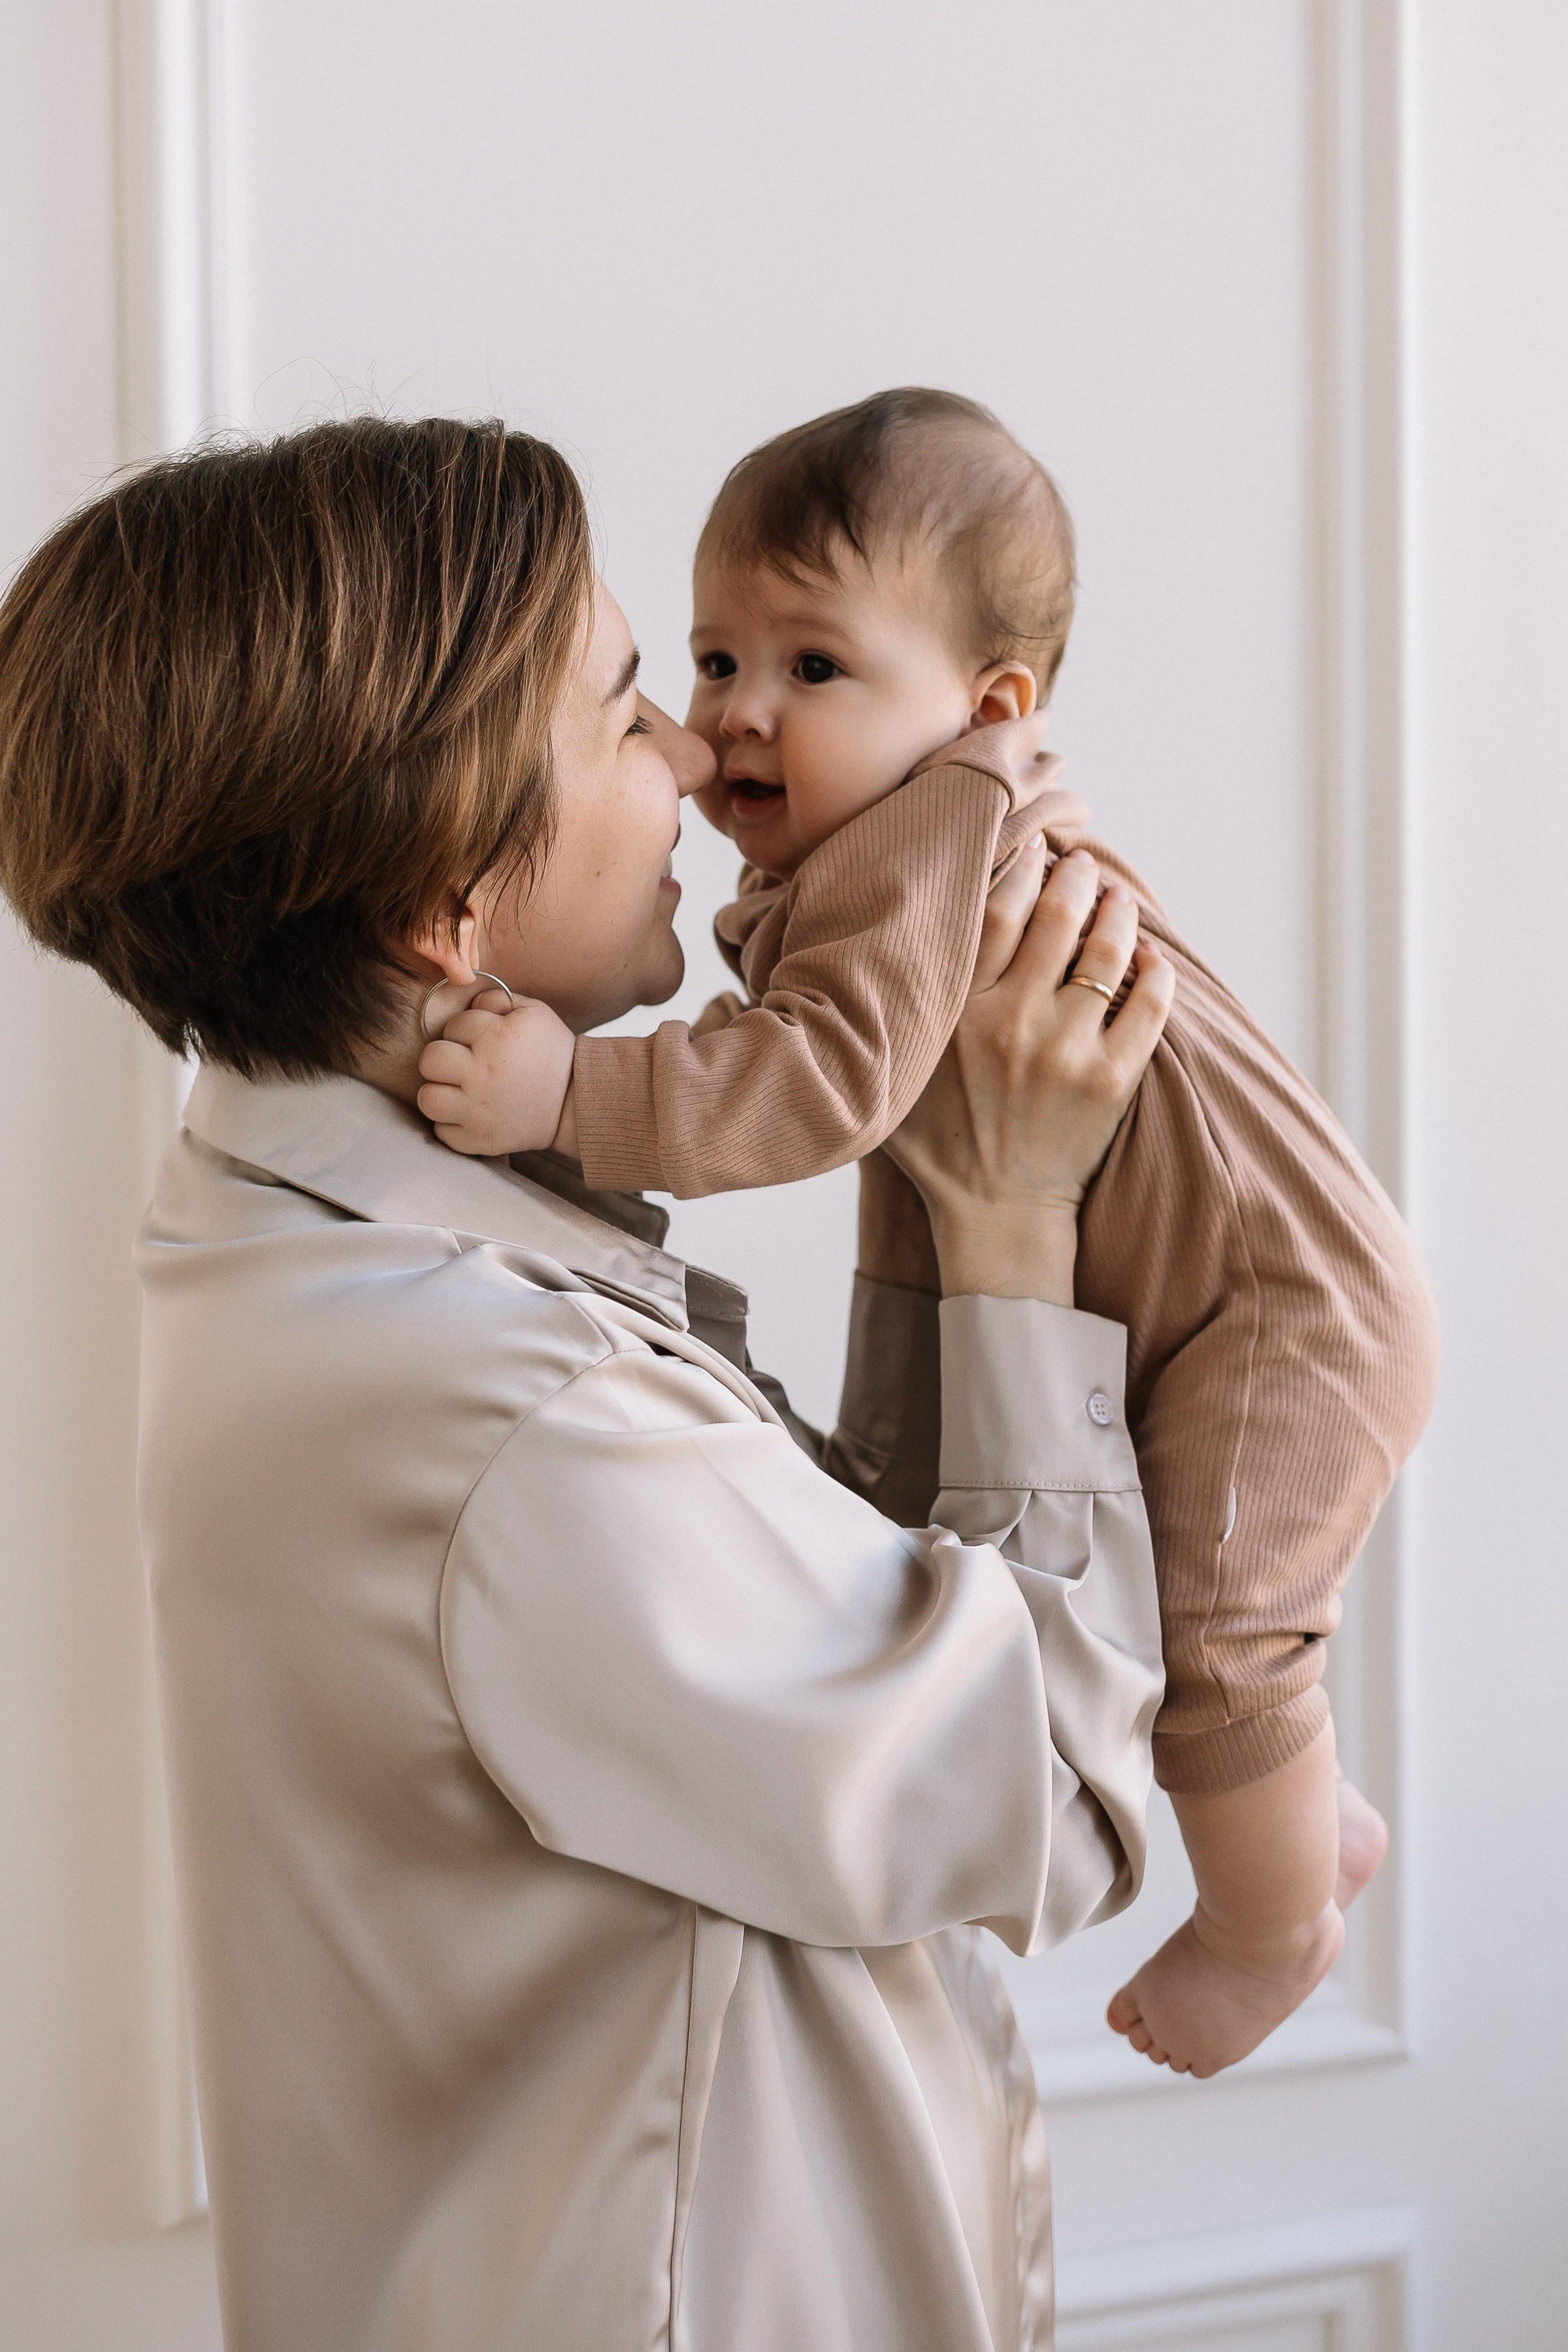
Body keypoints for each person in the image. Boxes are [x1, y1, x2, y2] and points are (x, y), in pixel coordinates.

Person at [0, 416, 1175, 2352]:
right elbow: (1053, 1796)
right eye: (634, 708)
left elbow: (857, 1587)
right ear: (443, 905)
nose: (707, 757)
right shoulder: (503, 1408)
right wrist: (1018, 1227)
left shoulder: (303, 1220)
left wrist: (935, 1187)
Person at [418, 387, 1441, 2079]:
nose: (732, 718)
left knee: (1226, 1639)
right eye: (716, 657)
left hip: (1284, 1301)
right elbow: (916, 1188)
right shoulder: (891, 840)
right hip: (1209, 1291)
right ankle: (1305, 1826)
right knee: (1210, 1633)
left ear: (987, 707)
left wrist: (570, 1097)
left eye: (814, 669)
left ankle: (1272, 1927)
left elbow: (821, 1086)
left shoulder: (936, 832)